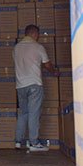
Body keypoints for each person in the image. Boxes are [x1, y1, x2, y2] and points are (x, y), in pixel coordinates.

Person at [12, 24, 59, 152]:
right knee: (34, 114)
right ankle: (34, 143)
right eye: (38, 34)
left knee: (23, 113)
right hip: (34, 84)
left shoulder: (16, 48)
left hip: (20, 86)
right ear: (34, 34)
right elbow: (47, 65)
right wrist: (54, 72)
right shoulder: (38, 47)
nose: (38, 37)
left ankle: (18, 141)